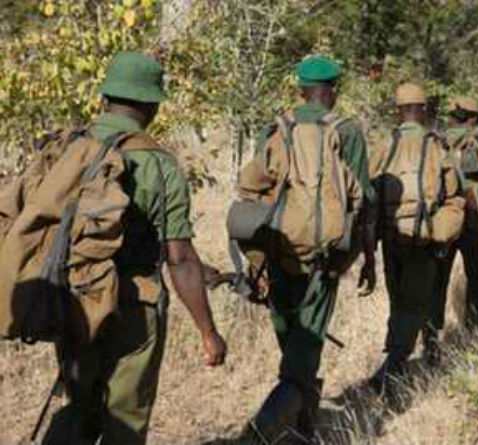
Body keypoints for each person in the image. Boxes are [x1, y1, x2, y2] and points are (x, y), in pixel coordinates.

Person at [43, 52, 226, 445]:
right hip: (134, 308)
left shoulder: (70, 148)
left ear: (105, 97)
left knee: (79, 405)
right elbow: (179, 258)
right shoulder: (160, 165)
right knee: (123, 419)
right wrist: (209, 332)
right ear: (152, 105)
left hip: (74, 298)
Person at [244, 55, 376, 443]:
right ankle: (259, 433)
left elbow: (257, 192)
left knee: (294, 345)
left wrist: (255, 260)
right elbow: (364, 202)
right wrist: (366, 258)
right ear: (333, 92)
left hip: (278, 253)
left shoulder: (276, 128)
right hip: (325, 259)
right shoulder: (346, 130)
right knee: (301, 358)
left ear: (301, 90)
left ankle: (302, 428)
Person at [369, 83, 463, 393]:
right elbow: (453, 192)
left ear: (398, 111)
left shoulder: (383, 146)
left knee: (399, 301)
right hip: (424, 239)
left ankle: (394, 360)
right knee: (416, 303)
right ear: (423, 109)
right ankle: (392, 369)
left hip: (390, 238)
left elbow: (367, 193)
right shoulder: (437, 147)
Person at [429, 95, 478, 339]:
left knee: (437, 282)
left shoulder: (436, 141)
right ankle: (475, 332)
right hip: (475, 221)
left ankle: (431, 337)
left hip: (444, 222)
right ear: (473, 119)